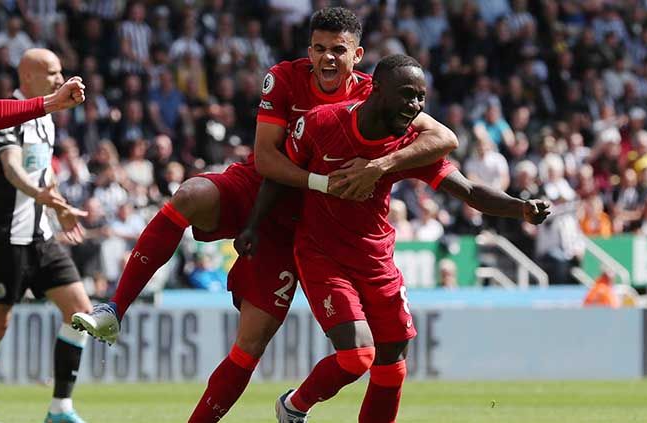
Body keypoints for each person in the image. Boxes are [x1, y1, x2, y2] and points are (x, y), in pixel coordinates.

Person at [72, 8, 458, 423]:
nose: (327, 58)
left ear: (357, 55)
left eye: (338, 50)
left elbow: (444, 137)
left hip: (308, 224)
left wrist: (378, 167)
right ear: (309, 49)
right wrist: (324, 183)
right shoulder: (285, 78)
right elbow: (267, 161)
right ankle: (113, 309)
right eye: (320, 49)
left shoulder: (377, 95)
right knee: (190, 193)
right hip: (261, 190)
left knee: (250, 345)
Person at [238, 54, 548, 423]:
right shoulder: (322, 123)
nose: (414, 106)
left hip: (376, 260)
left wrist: (521, 208)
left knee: (393, 363)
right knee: (357, 356)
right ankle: (293, 407)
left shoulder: (408, 147)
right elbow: (279, 174)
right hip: (323, 255)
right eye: (407, 95)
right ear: (378, 90)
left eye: (420, 98)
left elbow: (468, 191)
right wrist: (254, 225)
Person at [0, 49, 92, 423]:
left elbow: (41, 170)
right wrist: (38, 194)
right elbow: (12, 168)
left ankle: (60, 409)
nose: (58, 76)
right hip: (6, 237)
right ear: (26, 76)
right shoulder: (7, 116)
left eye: (60, 71)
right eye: (50, 72)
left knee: (81, 311)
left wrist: (59, 207)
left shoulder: (46, 121)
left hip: (41, 236)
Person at [0, 76, 86, 130]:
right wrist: (55, 101)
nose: (60, 80)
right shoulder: (10, 126)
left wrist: (55, 101)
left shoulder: (46, 117)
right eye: (52, 73)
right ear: (29, 76)